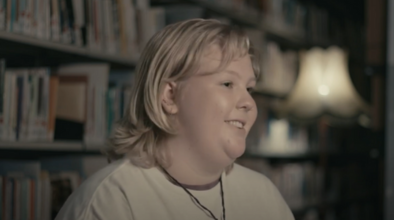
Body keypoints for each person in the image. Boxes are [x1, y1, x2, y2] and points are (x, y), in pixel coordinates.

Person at [54, 18, 295, 220]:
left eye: (249, 89)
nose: (248, 103)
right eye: (228, 84)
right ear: (170, 96)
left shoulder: (264, 195)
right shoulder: (111, 201)